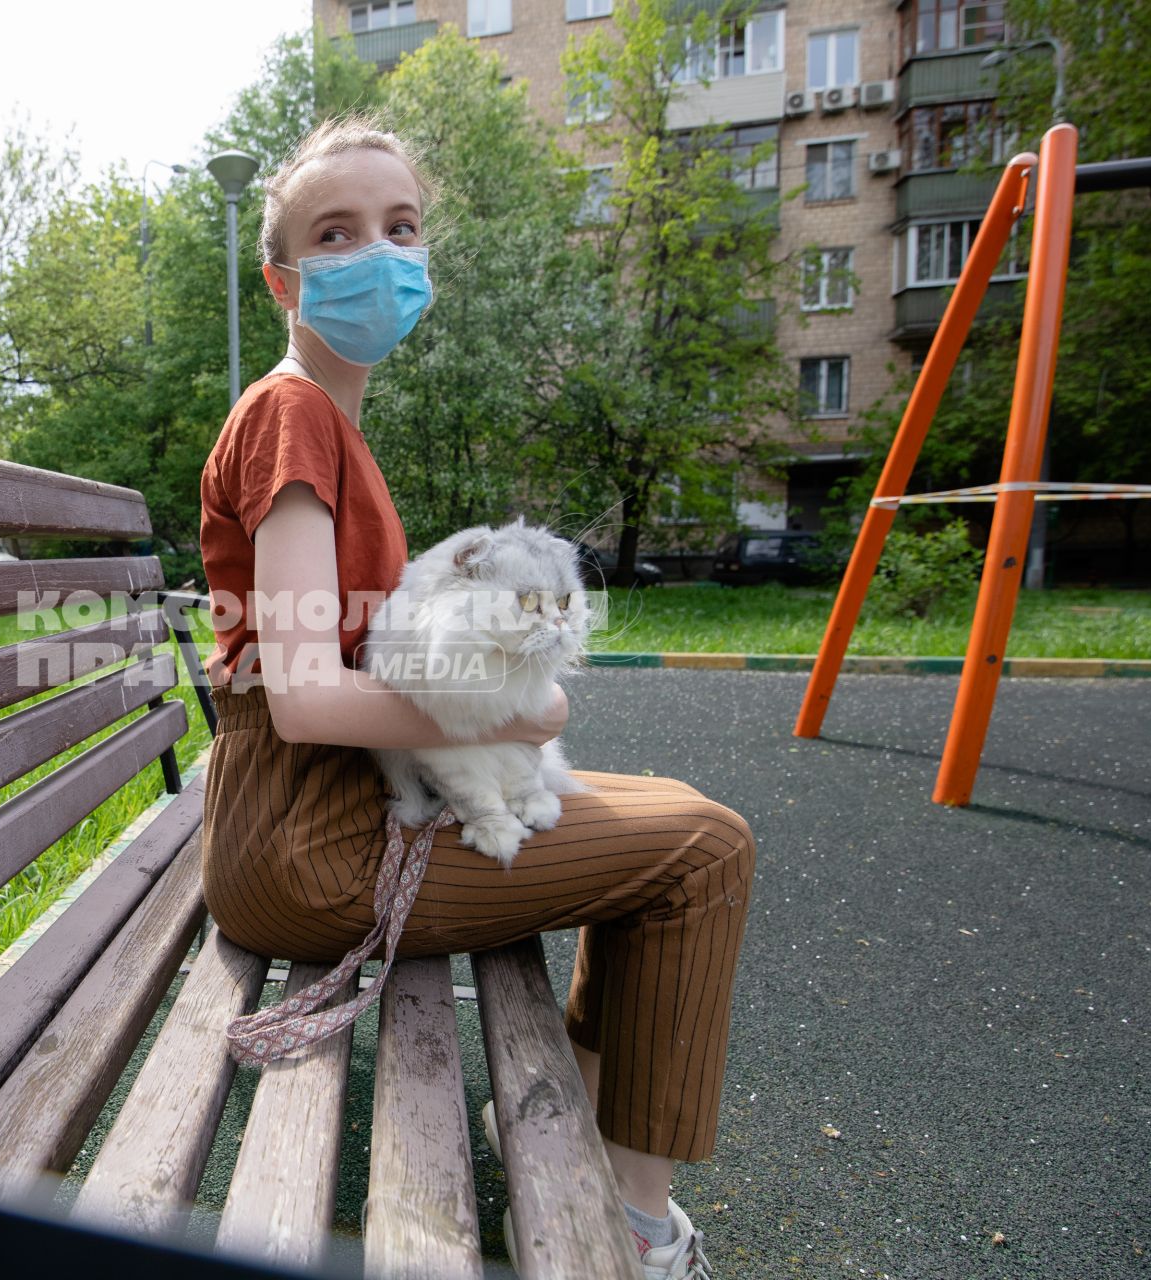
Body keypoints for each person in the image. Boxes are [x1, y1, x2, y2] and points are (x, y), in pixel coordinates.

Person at [195, 113, 755, 1280]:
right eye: (337, 233)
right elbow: (303, 696)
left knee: (666, 808)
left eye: (401, 228)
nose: (379, 256)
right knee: (703, 849)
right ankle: (640, 1231)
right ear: (281, 276)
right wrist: (515, 715)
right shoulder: (293, 414)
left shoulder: (331, 425)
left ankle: (579, 1137)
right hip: (310, 839)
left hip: (315, 816)